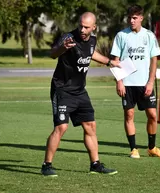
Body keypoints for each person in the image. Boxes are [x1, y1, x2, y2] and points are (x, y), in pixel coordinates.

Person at [41, 12, 119, 177]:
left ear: (93, 27)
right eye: (80, 26)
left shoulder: (92, 40)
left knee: (90, 126)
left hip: (79, 91)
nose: (82, 29)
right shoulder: (68, 38)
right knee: (61, 127)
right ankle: (46, 165)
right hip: (62, 89)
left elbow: (90, 54)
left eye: (86, 27)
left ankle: (95, 164)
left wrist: (109, 62)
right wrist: (63, 48)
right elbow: (53, 53)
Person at [110, 5, 160, 159]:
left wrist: (150, 82)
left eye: (135, 18)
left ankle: (152, 148)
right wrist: (119, 82)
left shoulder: (149, 36)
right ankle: (133, 149)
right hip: (127, 84)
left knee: (152, 115)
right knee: (129, 115)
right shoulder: (121, 35)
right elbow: (115, 61)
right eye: (130, 17)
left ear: (141, 18)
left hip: (144, 84)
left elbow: (154, 59)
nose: (132, 20)